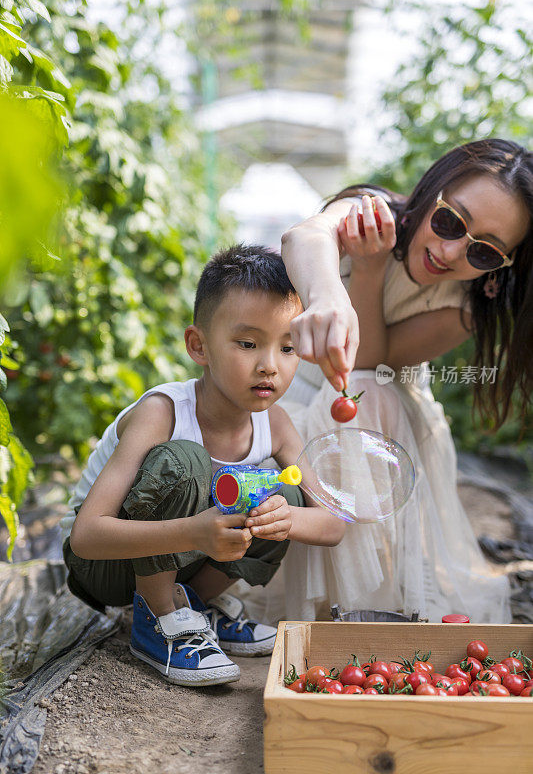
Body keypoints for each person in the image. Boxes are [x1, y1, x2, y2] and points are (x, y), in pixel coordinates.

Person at [255, 138, 531, 624]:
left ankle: (366, 602)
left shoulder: (464, 306)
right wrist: (326, 298)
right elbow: (304, 237)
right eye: (450, 221)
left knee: (372, 395)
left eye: (484, 252)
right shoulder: (372, 213)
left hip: (383, 414)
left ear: (501, 267)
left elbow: (370, 364)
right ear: (432, 192)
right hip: (298, 393)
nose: (449, 251)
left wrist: (369, 269)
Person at [61, 244, 345, 687]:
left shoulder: (277, 424)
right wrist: (194, 532)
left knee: (282, 497)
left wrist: (286, 518)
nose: (269, 365)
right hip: (107, 566)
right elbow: (86, 537)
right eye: (248, 343)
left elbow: (333, 525)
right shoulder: (165, 412)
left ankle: (189, 607)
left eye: (287, 348)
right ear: (200, 345)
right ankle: (159, 619)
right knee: (184, 463)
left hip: (181, 554)